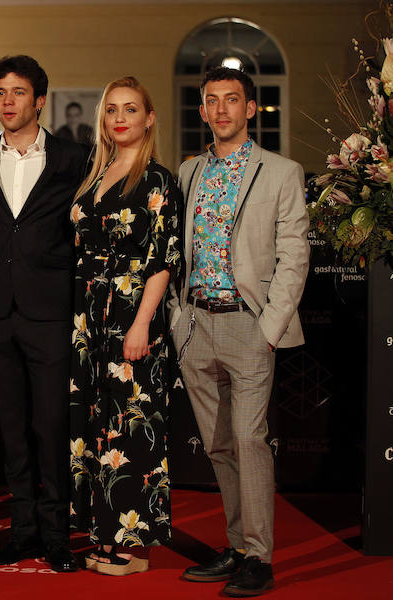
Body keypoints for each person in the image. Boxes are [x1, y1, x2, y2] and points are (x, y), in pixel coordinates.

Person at [170, 67, 309, 597]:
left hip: (249, 324)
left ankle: (261, 558)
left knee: (250, 440)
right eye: (212, 101)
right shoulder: (187, 174)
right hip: (195, 323)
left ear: (251, 109)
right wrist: (179, 321)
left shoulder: (281, 172)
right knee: (219, 445)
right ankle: (236, 547)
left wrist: (269, 329)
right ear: (202, 111)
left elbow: (295, 256)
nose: (222, 109)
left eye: (233, 100)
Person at [0, 55, 87, 573]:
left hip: (50, 310)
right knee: (11, 428)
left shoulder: (74, 158)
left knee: (50, 425)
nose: (6, 101)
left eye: (17, 92)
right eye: (0, 93)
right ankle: (22, 532)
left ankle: (58, 535)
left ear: (39, 100)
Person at [68, 76, 181, 576]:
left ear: (148, 118)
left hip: (132, 313)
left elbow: (161, 262)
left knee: (131, 428)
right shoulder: (96, 174)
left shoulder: (157, 180)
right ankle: (101, 533)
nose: (120, 117)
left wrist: (141, 325)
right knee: (96, 428)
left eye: (130, 109)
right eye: (112, 109)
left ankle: (132, 548)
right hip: (88, 315)